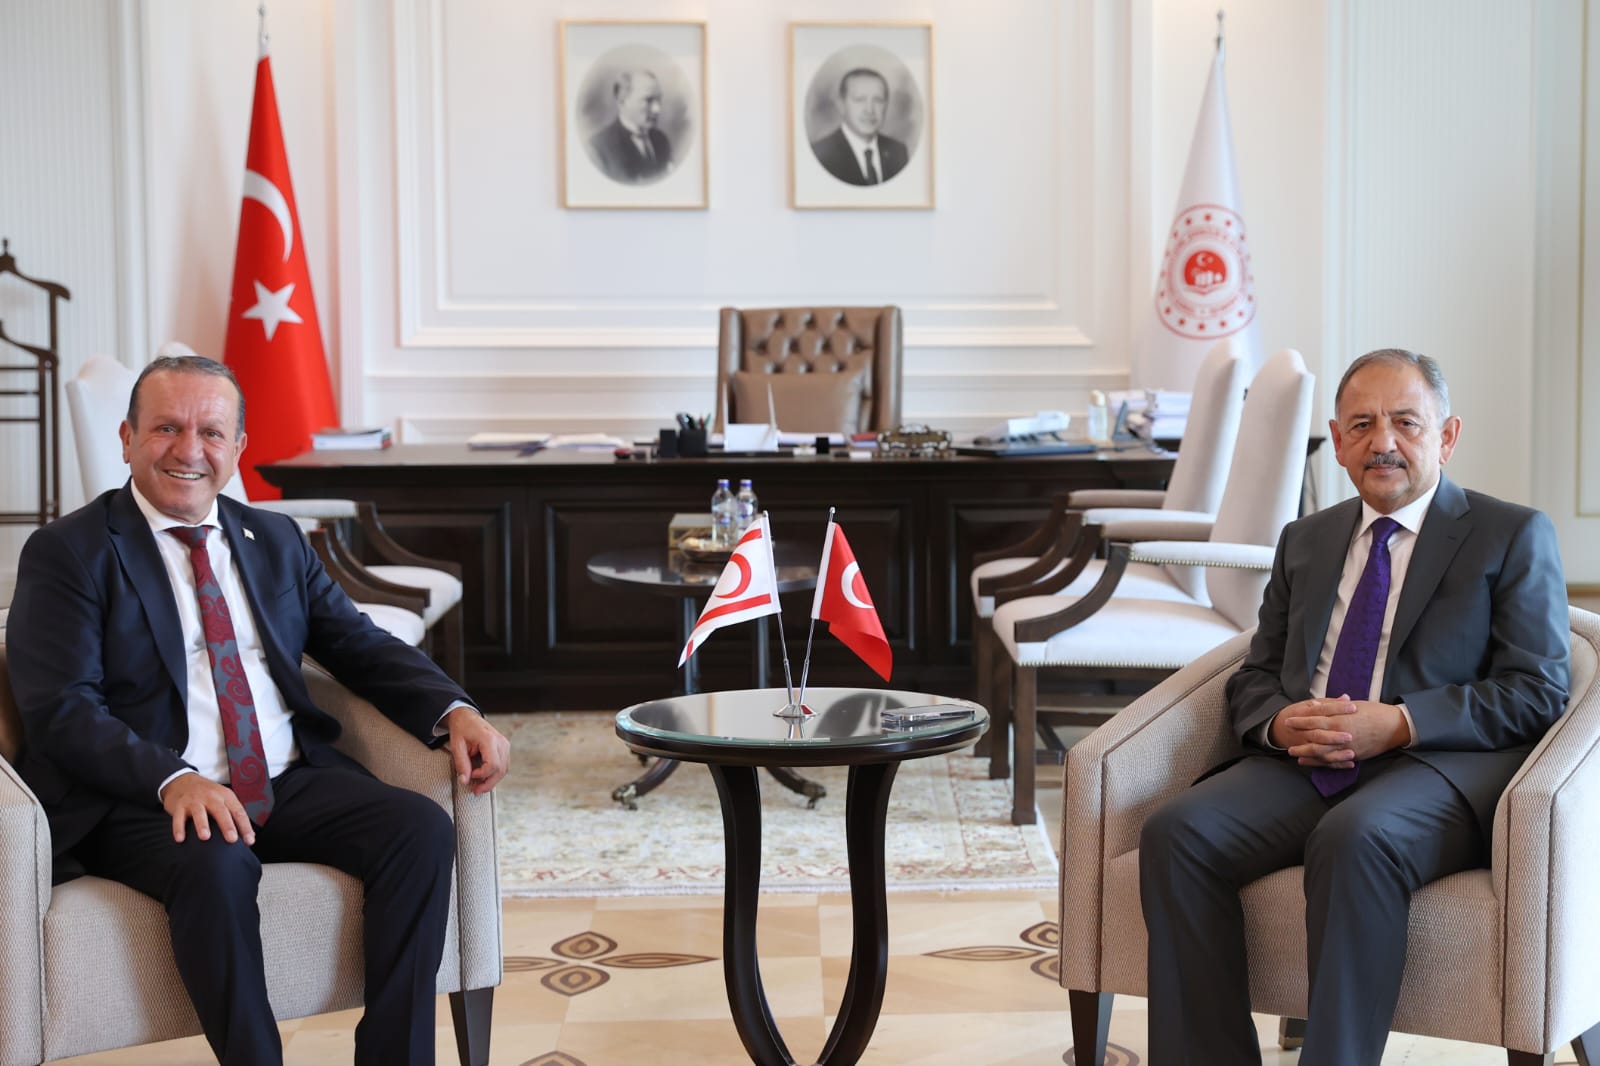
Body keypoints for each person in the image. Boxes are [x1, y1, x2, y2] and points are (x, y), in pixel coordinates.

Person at [5, 354, 511, 1066]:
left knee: (420, 830)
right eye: (166, 428)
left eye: (211, 432)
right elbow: (62, 709)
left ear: (238, 447)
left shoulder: (273, 539)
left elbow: (357, 643)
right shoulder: (70, 552)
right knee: (217, 863)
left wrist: (454, 710)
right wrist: (172, 779)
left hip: (282, 779)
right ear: (126, 438)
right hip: (145, 799)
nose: (189, 450)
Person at [1138, 348, 1570, 1066]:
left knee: (1353, 838)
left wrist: (1399, 722)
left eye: (1406, 422)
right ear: (1337, 442)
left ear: (1447, 437)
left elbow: (1537, 690)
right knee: (1177, 833)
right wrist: (1279, 722)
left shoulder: (1511, 535)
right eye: (1362, 425)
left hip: (1435, 769)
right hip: (1305, 762)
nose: (1383, 442)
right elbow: (1256, 673)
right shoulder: (1305, 539)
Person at [810, 67, 910, 186]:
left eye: (878, 100)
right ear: (841, 105)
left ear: (886, 105)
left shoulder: (898, 152)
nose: (869, 110)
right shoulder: (820, 155)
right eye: (859, 100)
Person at [588, 69, 672, 183]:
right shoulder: (598, 148)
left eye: (659, 100)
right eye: (648, 100)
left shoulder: (662, 140)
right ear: (622, 102)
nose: (657, 109)